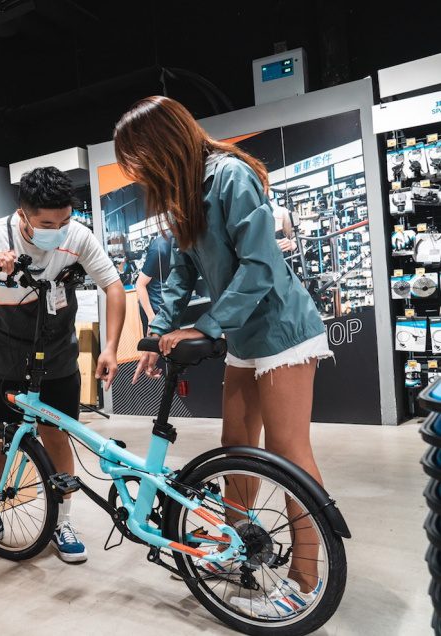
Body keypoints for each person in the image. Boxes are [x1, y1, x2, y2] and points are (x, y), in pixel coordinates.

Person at [114, 96, 333, 618]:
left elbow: (260, 267)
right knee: (236, 444)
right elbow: (182, 273)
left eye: (136, 156)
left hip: (282, 329)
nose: (135, 170)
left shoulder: (231, 177)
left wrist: (206, 325)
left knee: (287, 454)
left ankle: (304, 577)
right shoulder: (186, 192)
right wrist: (160, 332)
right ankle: (239, 548)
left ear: (160, 143)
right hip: (243, 336)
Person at [0, 166, 126, 563]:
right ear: (23, 214)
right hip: (3, 350)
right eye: (48, 223)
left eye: (64, 220)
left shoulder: (77, 236)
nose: (58, 230)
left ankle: (62, 521)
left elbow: (113, 287)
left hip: (57, 349)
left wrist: (111, 348)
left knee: (56, 434)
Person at [132, 231, 173, 385]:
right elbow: (140, 284)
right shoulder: (159, 248)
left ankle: (150, 367)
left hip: (168, 304)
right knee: (151, 348)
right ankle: (147, 373)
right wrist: (151, 317)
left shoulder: (184, 246)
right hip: (152, 305)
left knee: (160, 348)